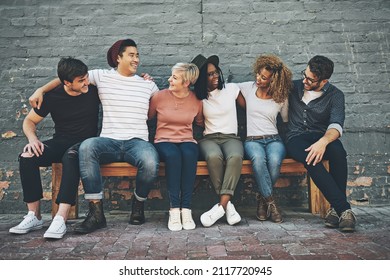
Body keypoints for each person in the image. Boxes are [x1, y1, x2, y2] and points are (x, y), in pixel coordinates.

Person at [28, 39, 160, 234]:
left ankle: (138, 204)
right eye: (131, 55)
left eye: (137, 55)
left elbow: (152, 114)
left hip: (137, 141)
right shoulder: (101, 76)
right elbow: (68, 77)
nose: (136, 59)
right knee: (87, 147)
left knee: (150, 161)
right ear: (118, 58)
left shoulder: (149, 86)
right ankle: (96, 213)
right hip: (108, 140)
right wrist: (41, 89)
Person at [9, 57, 100, 239]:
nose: (86, 83)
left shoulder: (93, 91)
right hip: (61, 140)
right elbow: (29, 121)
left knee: (71, 156)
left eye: (86, 77)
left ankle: (60, 218)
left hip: (86, 144)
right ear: (67, 82)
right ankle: (34, 216)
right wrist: (33, 139)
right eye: (80, 80)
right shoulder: (53, 96)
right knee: (27, 155)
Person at [286, 55, 356, 232]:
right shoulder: (293, 87)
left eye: (310, 79)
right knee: (312, 158)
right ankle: (344, 209)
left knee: (338, 152)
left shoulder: (336, 95)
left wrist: (322, 142)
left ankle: (334, 210)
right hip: (295, 137)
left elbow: (336, 126)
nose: (305, 80)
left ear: (324, 81)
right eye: (305, 74)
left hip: (320, 135)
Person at [237, 54, 292, 223]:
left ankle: (262, 201)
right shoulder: (248, 88)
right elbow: (228, 88)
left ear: (273, 81)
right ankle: (271, 203)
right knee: (259, 160)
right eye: (258, 74)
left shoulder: (281, 97)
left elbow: (285, 121)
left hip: (274, 139)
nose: (258, 79)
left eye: (264, 78)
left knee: (275, 160)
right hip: (253, 140)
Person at [148, 63, 203, 231]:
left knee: (190, 152)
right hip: (163, 140)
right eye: (171, 76)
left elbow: (199, 122)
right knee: (173, 156)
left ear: (186, 83)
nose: (169, 79)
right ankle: (174, 209)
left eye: (174, 77)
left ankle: (186, 209)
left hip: (186, 139)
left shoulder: (196, 100)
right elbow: (149, 117)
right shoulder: (159, 96)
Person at [190, 54, 243, 227]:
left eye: (215, 72)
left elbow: (251, 108)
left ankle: (221, 206)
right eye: (209, 75)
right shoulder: (198, 98)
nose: (214, 77)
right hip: (209, 138)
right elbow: (198, 121)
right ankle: (228, 206)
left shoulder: (232, 89)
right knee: (213, 157)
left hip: (231, 137)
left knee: (235, 157)